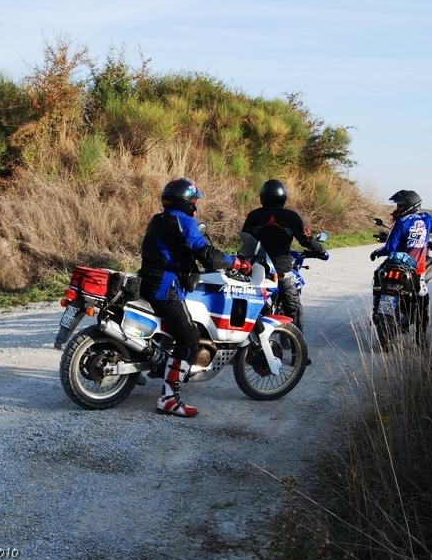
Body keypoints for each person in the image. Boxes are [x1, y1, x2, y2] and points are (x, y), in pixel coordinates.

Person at [139, 178, 252, 418]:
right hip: (165, 288)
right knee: (188, 338)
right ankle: (169, 399)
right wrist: (236, 262)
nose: (196, 204)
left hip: (146, 282)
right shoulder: (184, 222)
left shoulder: (158, 219)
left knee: (171, 330)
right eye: (195, 200)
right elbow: (207, 254)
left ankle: (151, 365)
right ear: (187, 201)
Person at [242, 179, 329, 342]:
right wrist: (321, 251)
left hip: (257, 270)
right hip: (281, 272)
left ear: (263, 196)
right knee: (294, 308)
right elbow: (306, 240)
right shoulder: (291, 217)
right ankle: (299, 352)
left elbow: (245, 241)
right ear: (283, 197)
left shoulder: (254, 216)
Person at [370, 190, 432, 338]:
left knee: (378, 277)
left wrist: (376, 252)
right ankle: (420, 337)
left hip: (393, 265)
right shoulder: (427, 219)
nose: (398, 209)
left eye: (401, 206)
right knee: (423, 299)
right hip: (416, 270)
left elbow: (389, 248)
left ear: (410, 205)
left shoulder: (401, 222)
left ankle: (376, 309)